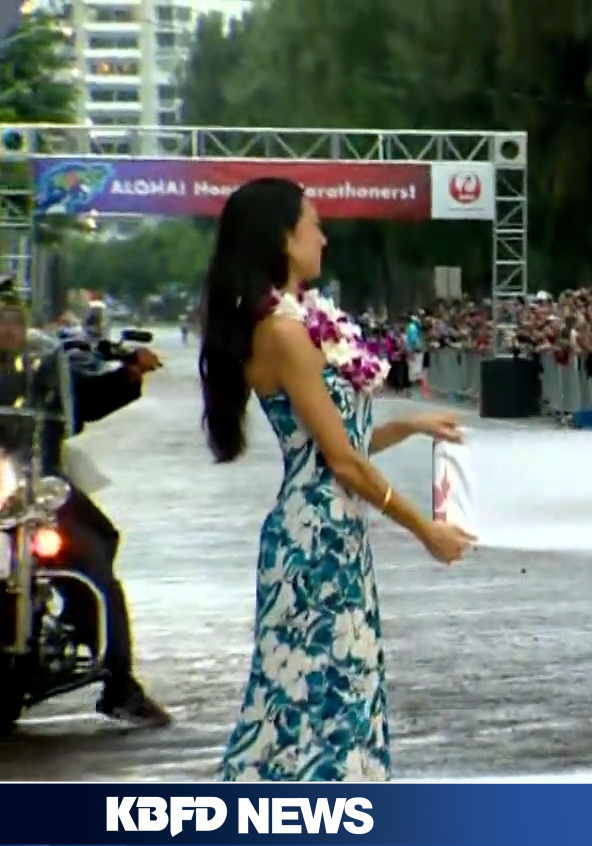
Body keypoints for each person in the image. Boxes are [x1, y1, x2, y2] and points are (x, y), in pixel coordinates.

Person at [198, 178, 477, 781]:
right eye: (314, 225)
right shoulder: (282, 333)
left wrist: (409, 426)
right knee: (313, 697)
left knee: (331, 689)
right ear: (283, 238)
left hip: (331, 532)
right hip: (314, 539)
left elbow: (336, 444)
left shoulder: (295, 324)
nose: (323, 238)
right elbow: (341, 462)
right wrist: (424, 529)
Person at [0, 279, 173, 726]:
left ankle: (119, 683)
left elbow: (81, 397)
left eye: (14, 319)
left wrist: (126, 375)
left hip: (33, 490)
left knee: (95, 550)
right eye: (0, 320)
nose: (7, 328)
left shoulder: (42, 365)